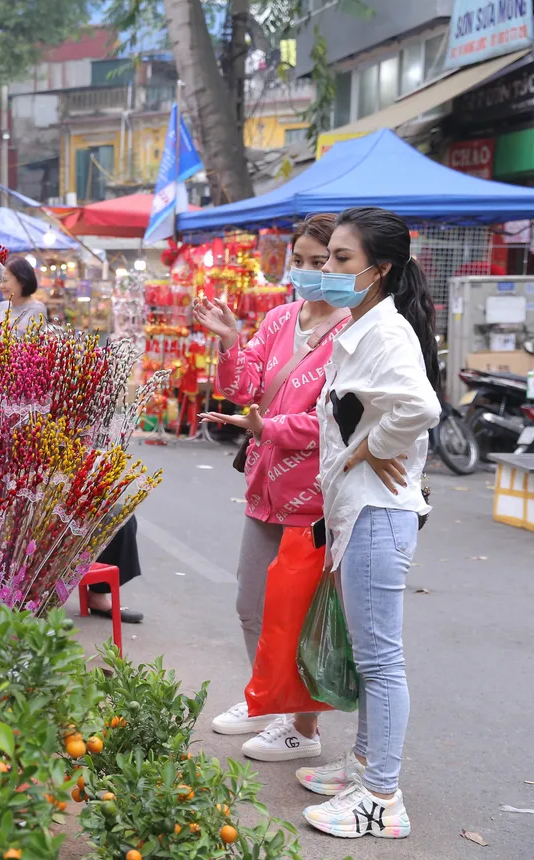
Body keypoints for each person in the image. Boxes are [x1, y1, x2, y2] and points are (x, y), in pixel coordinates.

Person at [297, 207, 440, 840]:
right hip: (360, 511)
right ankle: (362, 766)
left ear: (378, 270)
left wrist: (373, 446)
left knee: (380, 660)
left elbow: (420, 406)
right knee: (368, 651)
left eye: (340, 259)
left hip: (378, 513)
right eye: (328, 259)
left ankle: (382, 797)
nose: (327, 269)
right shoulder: (363, 324)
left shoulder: (386, 333)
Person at [193, 214, 350, 762]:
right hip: (264, 486)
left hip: (313, 498)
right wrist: (232, 339)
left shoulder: (355, 330)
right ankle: (265, 698)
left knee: (299, 613)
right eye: (300, 261)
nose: (309, 272)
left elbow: (336, 423)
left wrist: (271, 429)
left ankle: (300, 727)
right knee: (250, 605)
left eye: (320, 261)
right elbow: (242, 387)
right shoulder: (281, 317)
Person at [0, 256, 47, 335]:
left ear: (22, 281)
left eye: (5, 280)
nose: (1, 286)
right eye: (0, 281)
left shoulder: (37, 309)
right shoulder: (0, 307)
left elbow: (20, 339)